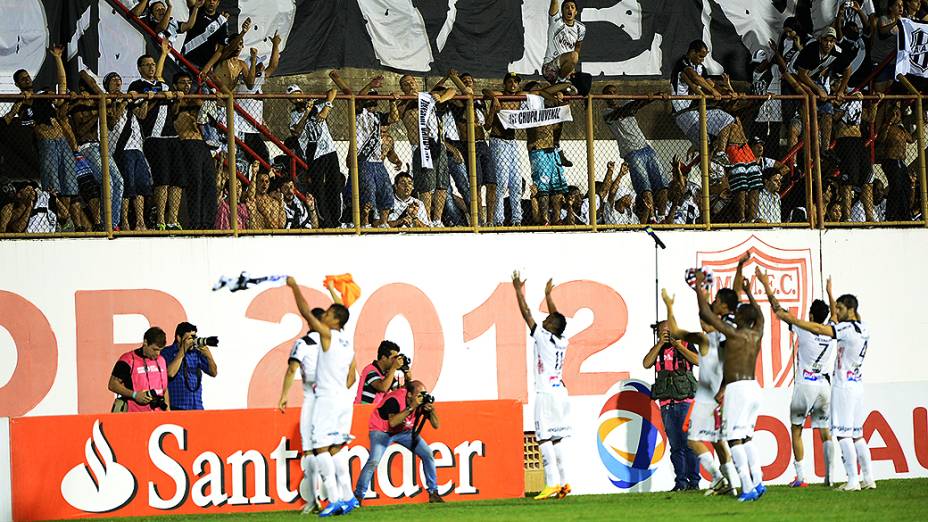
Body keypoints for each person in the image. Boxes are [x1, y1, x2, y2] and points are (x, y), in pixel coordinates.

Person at [770, 277, 875, 491]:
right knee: (844, 433)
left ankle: (807, 476)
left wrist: (767, 287)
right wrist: (830, 292)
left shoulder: (820, 329)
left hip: (814, 385)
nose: (838, 311)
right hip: (832, 387)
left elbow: (794, 318)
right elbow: (835, 320)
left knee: (803, 429)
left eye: (841, 308)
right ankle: (842, 477)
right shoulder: (863, 329)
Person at [664, 259, 749, 497]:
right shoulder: (728, 335)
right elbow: (735, 296)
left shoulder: (704, 339)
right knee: (720, 442)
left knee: (692, 438)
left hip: (707, 396)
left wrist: (670, 307)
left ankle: (719, 478)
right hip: (723, 393)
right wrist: (740, 270)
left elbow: (677, 332)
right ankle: (733, 485)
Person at [286, 276, 359, 516]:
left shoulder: (327, 336)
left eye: (327, 313)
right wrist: (330, 290)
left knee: (320, 448)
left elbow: (307, 313)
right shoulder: (347, 338)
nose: (323, 315)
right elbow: (342, 311)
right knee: (337, 448)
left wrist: (295, 287)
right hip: (344, 400)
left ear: (333, 319)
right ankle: (348, 498)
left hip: (326, 399)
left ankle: (335, 499)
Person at [756, 269, 837, 487]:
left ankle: (801, 477)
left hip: (805, 386)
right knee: (824, 430)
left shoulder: (804, 329)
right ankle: (831, 476)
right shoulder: (833, 330)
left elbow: (779, 311)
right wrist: (830, 293)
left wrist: (765, 284)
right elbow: (836, 314)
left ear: (811, 316)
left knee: (797, 429)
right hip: (824, 387)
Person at [694, 268, 766, 502]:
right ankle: (758, 481)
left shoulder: (733, 335)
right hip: (754, 387)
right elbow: (761, 315)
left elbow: (706, 312)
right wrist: (748, 291)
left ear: (741, 319)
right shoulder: (758, 332)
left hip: (737, 389)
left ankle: (747, 488)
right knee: (746, 437)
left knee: (734, 439)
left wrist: (698, 287)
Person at [512, 271, 571, 500]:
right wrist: (548, 295)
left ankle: (551, 483)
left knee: (543, 438)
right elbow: (557, 317)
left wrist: (518, 291)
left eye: (546, 320)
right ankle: (564, 482)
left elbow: (526, 313)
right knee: (556, 438)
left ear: (550, 326)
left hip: (546, 393)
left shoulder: (542, 337)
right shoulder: (562, 340)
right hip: (560, 391)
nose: (544, 320)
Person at [352, 380, 444, 504]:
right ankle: (358, 496)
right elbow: (393, 423)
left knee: (428, 454)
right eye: (419, 395)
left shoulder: (420, 401)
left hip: (404, 431)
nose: (421, 397)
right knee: (373, 461)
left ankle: (434, 493)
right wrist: (412, 407)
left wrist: (431, 411)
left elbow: (436, 425)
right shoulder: (394, 399)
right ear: (409, 394)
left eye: (423, 394)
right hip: (382, 430)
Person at [278, 306, 327, 514]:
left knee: (309, 451)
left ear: (309, 321)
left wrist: (283, 396)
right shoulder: (331, 342)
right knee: (329, 449)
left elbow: (292, 369)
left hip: (312, 401)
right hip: (331, 401)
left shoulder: (303, 343)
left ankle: (315, 499)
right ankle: (336, 496)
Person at [128, 40, 181, 230]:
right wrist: (150, 100)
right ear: (140, 68)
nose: (151, 68)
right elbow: (139, 114)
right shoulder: (137, 85)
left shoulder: (162, 85)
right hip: (154, 137)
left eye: (153, 64)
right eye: (147, 65)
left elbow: (174, 111)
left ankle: (173, 220)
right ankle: (160, 220)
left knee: (177, 179)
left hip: (172, 136)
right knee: (163, 179)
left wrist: (177, 99)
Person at [642, 319, 700, 491]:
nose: (667, 334)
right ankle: (680, 482)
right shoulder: (658, 349)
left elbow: (698, 361)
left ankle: (694, 483)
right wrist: (660, 343)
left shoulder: (687, 344)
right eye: (662, 332)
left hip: (685, 402)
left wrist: (678, 346)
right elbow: (646, 363)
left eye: (669, 331)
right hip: (667, 404)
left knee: (689, 445)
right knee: (676, 447)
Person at [601, 85, 667, 223]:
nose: (612, 95)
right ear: (604, 98)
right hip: (632, 153)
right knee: (645, 187)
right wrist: (646, 99)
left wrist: (652, 96)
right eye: (608, 93)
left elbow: (634, 105)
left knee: (662, 184)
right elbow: (627, 110)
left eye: (614, 92)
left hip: (646, 147)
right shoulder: (606, 113)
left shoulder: (627, 103)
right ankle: (652, 217)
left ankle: (662, 217)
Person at [105, 72, 152, 231]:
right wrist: (124, 102)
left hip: (137, 147)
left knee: (140, 186)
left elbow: (142, 115)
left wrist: (144, 99)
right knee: (127, 186)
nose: (117, 82)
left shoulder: (128, 99)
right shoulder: (107, 101)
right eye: (113, 80)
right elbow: (112, 122)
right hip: (121, 148)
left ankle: (140, 221)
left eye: (119, 79)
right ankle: (124, 221)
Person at [173, 71, 217, 229]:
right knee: (195, 183)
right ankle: (195, 222)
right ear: (175, 85)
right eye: (182, 82)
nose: (186, 85)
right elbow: (178, 108)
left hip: (202, 144)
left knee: (210, 183)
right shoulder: (174, 99)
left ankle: (209, 222)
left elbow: (203, 106)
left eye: (188, 82)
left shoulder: (194, 100)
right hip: (187, 142)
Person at [484, 73, 526, 226]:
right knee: (501, 182)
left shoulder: (521, 97)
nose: (513, 84)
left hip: (512, 142)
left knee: (515, 182)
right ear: (505, 83)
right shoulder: (500, 96)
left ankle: (517, 219)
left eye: (516, 82)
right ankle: (498, 219)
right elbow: (485, 91)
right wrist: (494, 99)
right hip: (499, 141)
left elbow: (535, 94)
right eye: (510, 82)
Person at [107, 327, 170, 413]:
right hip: (135, 416)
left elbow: (164, 390)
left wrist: (168, 410)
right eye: (154, 349)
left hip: (159, 416)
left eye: (160, 350)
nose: (157, 353)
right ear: (145, 342)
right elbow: (112, 384)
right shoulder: (128, 360)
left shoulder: (161, 360)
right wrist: (134, 395)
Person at [161, 322, 217, 411]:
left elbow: (214, 373)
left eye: (194, 337)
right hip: (178, 407)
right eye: (190, 338)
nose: (193, 341)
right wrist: (183, 350)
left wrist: (208, 355)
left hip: (197, 407)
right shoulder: (167, 352)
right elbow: (170, 373)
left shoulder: (196, 352)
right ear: (179, 338)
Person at [542, 0, 585, 85]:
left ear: (576, 12)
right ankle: (560, 81)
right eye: (566, 7)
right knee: (574, 56)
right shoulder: (556, 21)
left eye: (572, 7)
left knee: (584, 84)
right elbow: (554, 2)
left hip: (565, 71)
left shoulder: (581, 28)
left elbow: (578, 47)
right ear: (562, 11)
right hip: (550, 68)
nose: (569, 9)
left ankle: (559, 86)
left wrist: (572, 66)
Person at [355, 340, 408, 404]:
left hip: (373, 412)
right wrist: (393, 368)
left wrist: (407, 379)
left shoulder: (387, 374)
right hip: (362, 411)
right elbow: (382, 387)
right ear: (383, 358)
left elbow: (399, 393)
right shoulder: (370, 370)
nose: (395, 361)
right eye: (393, 358)